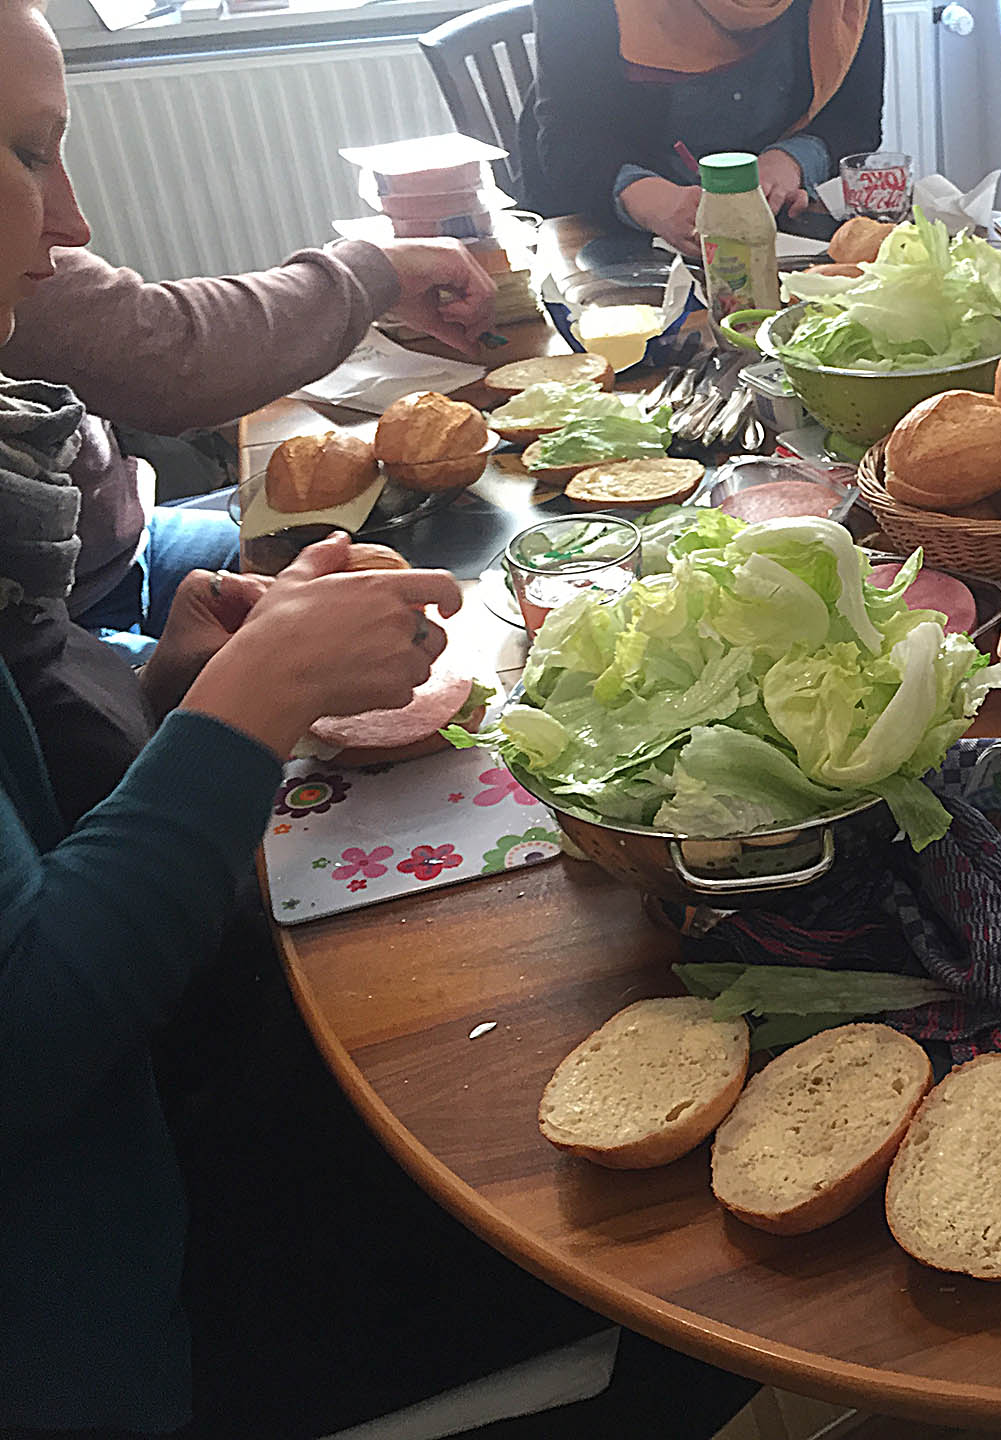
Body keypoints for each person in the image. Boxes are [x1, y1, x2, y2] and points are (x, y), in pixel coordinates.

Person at [1, 5, 757, 1434]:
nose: (75, 220)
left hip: (190, 1091)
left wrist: (160, 672)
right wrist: (249, 705)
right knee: (720, 1264)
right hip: (138, 1291)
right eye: (27, 153)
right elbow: (30, 1028)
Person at [0, 223, 496, 663]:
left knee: (383, 571)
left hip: (129, 543)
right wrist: (376, 270)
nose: (75, 226)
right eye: (29, 154)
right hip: (56, 628)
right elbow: (171, 354)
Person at [523, 0, 884, 253]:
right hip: (606, 234)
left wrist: (788, 162)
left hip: (778, 233)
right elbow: (568, 137)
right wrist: (656, 202)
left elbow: (856, 119)